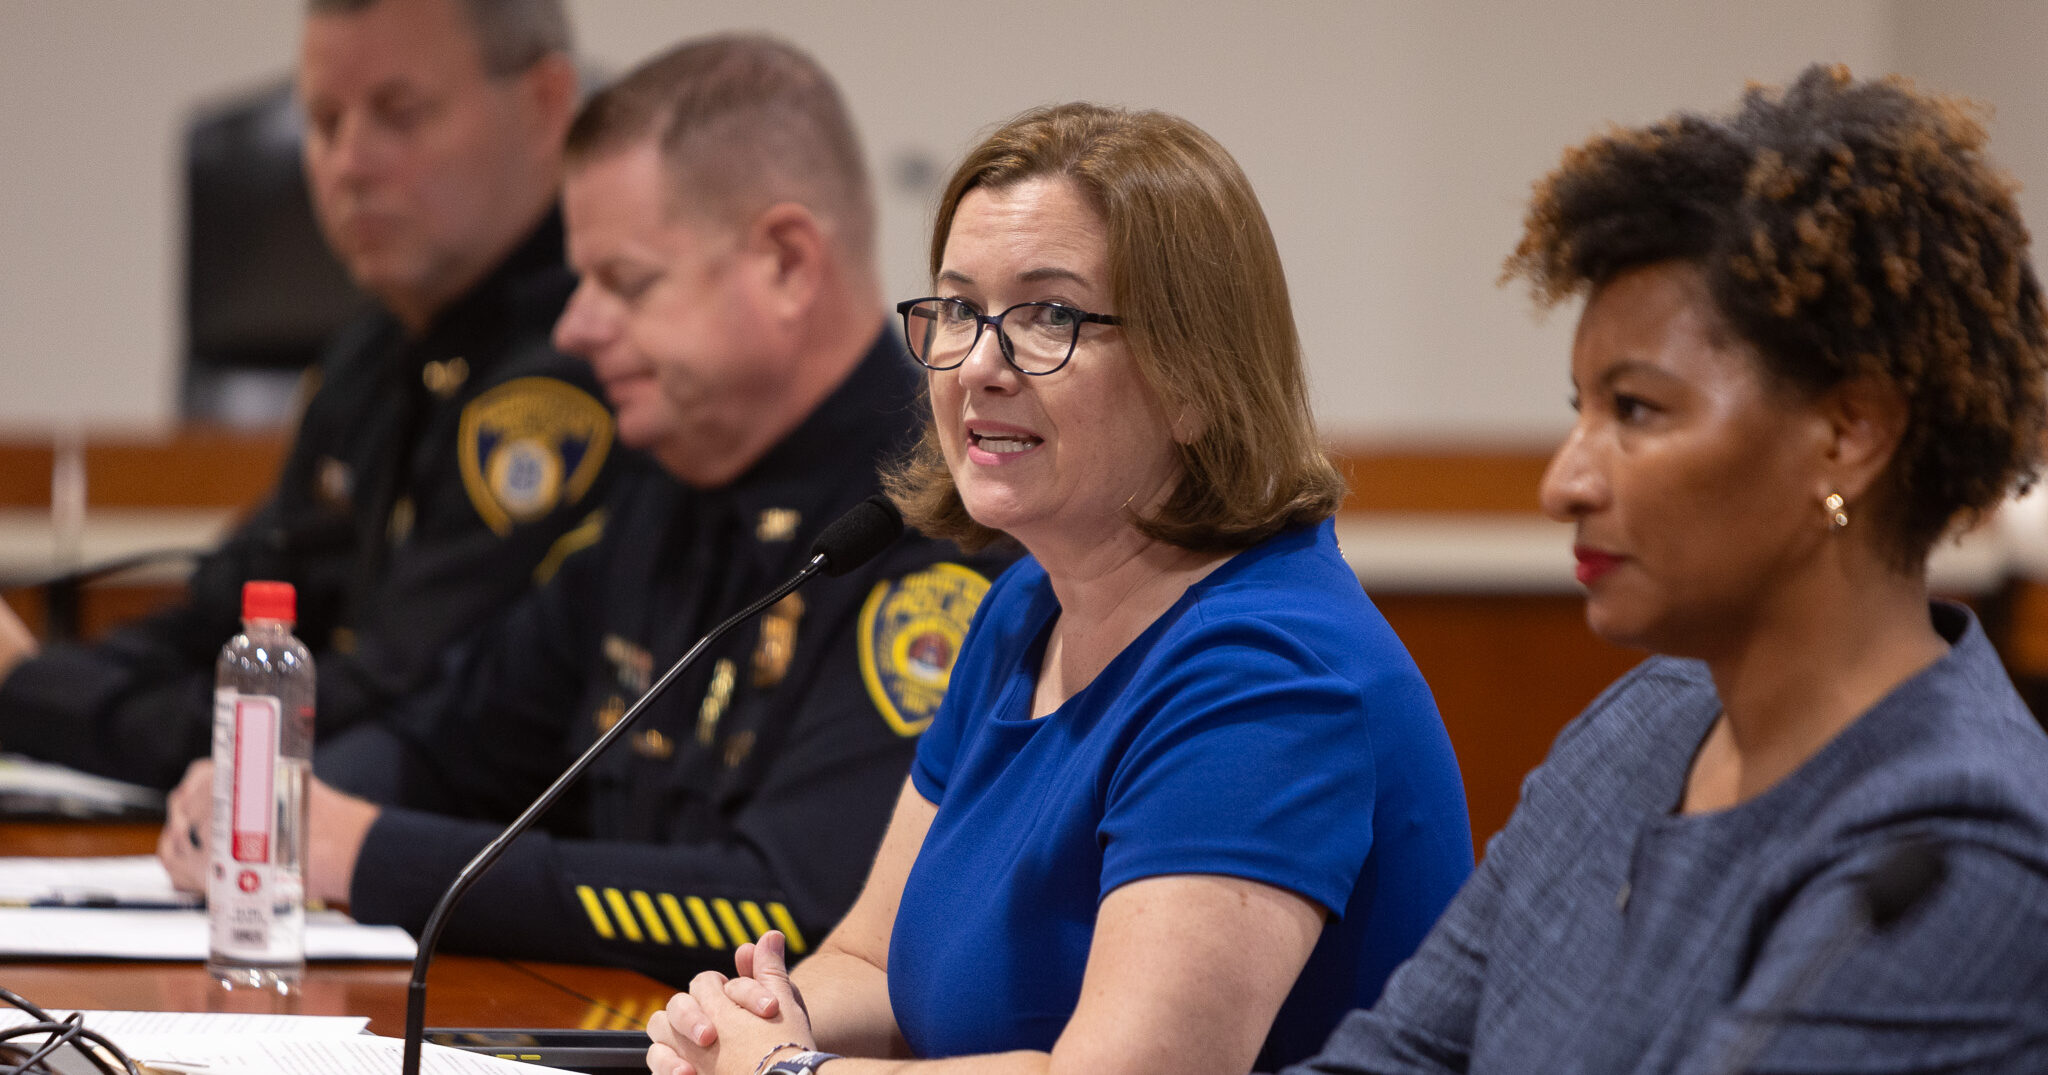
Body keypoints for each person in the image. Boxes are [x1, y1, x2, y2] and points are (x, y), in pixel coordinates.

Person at [158, 33, 1011, 984]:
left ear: (784, 263)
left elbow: (792, 905)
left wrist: (370, 854)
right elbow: (450, 738)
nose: (573, 327)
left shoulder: (934, 528)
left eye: (624, 283)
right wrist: (294, 799)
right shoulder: (663, 489)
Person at [648, 103, 1473, 1075]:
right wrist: (749, 1018)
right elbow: (873, 959)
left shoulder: (1268, 678)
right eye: (956, 309)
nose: (980, 366)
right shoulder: (1024, 607)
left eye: (1048, 316)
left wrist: (785, 1073)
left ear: (1196, 378)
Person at [1291, 65, 2048, 1074]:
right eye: (1580, 411)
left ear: (1847, 430)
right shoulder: (1641, 721)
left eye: (1635, 411)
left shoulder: (1960, 849)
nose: (1564, 481)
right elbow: (1393, 1056)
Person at [0, 0, 614, 790]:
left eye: (399, 114)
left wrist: (28, 693)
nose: (346, 163)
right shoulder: (373, 352)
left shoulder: (577, 368)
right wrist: (33, 675)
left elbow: (366, 710)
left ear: (545, 104)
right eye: (323, 120)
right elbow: (226, 617)